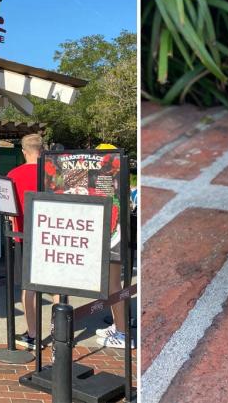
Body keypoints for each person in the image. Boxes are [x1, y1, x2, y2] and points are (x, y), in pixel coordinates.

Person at [94, 143, 134, 349]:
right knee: (112, 284)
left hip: (112, 239)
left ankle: (122, 333)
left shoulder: (106, 181)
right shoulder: (120, 179)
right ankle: (118, 326)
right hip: (116, 237)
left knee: (113, 286)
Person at [7, 133, 43, 350]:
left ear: (23, 151)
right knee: (54, 285)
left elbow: (10, 212)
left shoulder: (12, 175)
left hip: (24, 236)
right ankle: (57, 331)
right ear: (43, 149)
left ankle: (33, 334)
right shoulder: (52, 174)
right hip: (52, 236)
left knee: (28, 286)